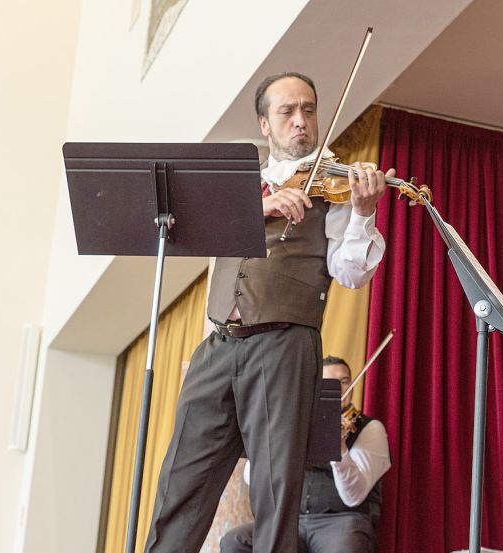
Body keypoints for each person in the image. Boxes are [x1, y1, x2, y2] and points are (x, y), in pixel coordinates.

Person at [144, 72, 395, 553]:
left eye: (308, 109)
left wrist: (363, 213)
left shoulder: (333, 186)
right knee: (181, 481)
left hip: (284, 345)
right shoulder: (238, 184)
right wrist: (259, 205)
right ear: (264, 124)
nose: (301, 121)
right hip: (218, 344)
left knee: (276, 493)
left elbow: (351, 273)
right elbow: (196, 232)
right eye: (287, 112)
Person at [220, 356, 392, 553]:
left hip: (341, 522)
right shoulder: (297, 424)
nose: (340, 390)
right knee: (235, 541)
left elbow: (354, 496)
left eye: (344, 382)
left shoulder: (369, 429)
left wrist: (340, 450)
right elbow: (252, 479)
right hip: (292, 521)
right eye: (330, 384)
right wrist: (267, 444)